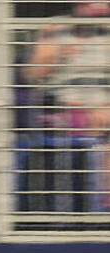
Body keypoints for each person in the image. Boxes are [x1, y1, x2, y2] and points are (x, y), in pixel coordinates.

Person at [24, 1, 109, 207]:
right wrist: (59, 56)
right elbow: (31, 76)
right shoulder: (56, 28)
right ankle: (100, 208)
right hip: (62, 108)